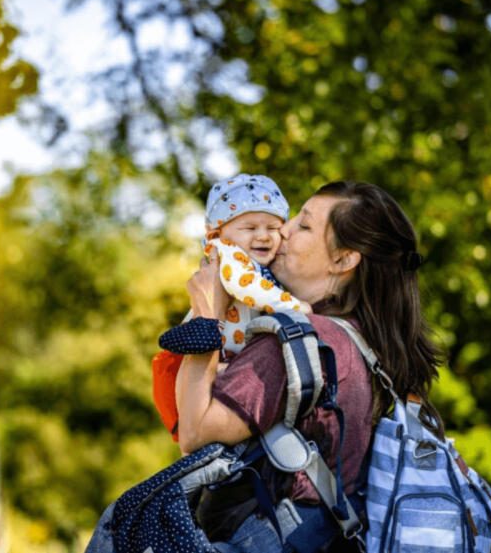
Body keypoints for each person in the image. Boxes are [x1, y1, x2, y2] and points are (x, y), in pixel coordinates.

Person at [177, 181, 447, 552]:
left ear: (344, 259)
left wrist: (206, 317)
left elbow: (194, 432)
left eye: (302, 225)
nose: (281, 230)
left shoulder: (296, 343)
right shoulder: (360, 344)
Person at [152, 174, 309, 441]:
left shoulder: (259, 263)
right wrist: (294, 306)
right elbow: (245, 286)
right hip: (210, 350)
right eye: (250, 228)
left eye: (273, 228)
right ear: (217, 233)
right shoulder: (227, 254)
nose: (263, 236)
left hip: (228, 353)